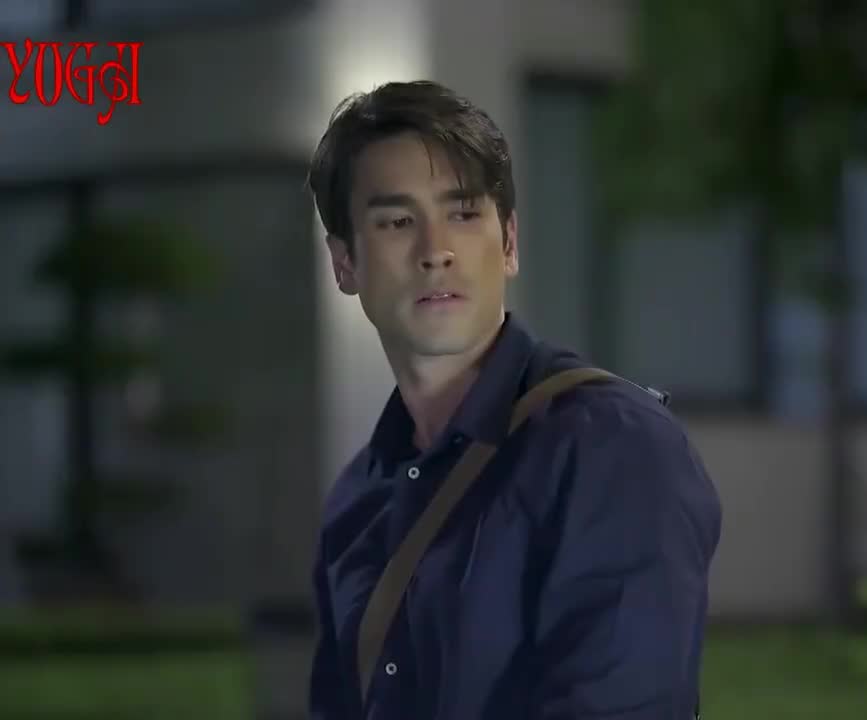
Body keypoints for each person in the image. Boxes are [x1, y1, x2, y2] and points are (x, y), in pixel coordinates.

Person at [304, 80, 722, 719]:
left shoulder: (610, 448)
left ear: (508, 244)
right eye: (397, 222)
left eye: (463, 213)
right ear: (345, 264)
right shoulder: (358, 497)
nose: (436, 251)